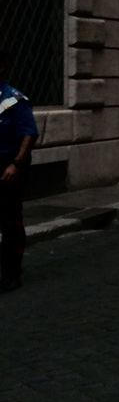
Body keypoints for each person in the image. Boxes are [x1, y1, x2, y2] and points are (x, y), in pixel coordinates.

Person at [0, 49, 38, 293]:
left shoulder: (15, 100)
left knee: (10, 222)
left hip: (8, 168)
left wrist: (16, 163)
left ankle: (12, 273)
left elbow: (29, 133)